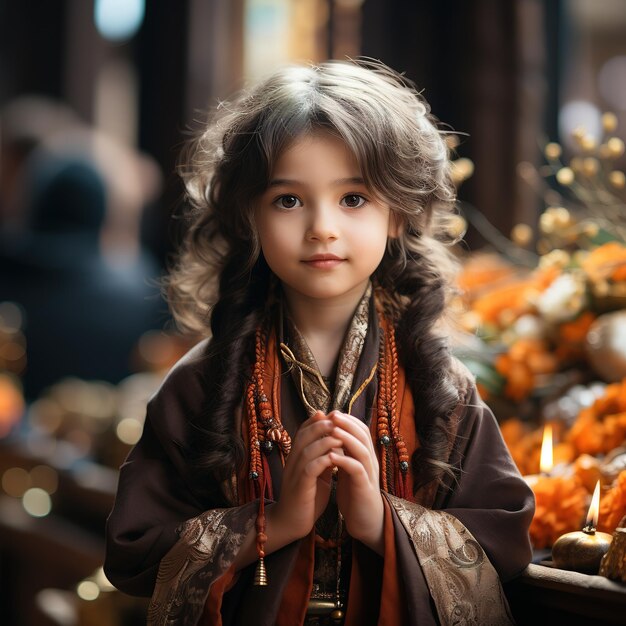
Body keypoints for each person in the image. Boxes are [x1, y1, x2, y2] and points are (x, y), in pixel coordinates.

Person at [104, 59, 534, 626]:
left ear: (398, 215)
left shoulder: (444, 390)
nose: (322, 227)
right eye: (288, 200)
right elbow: (136, 551)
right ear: (248, 217)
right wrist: (276, 522)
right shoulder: (202, 383)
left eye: (353, 198)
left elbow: (502, 544)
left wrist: (380, 522)